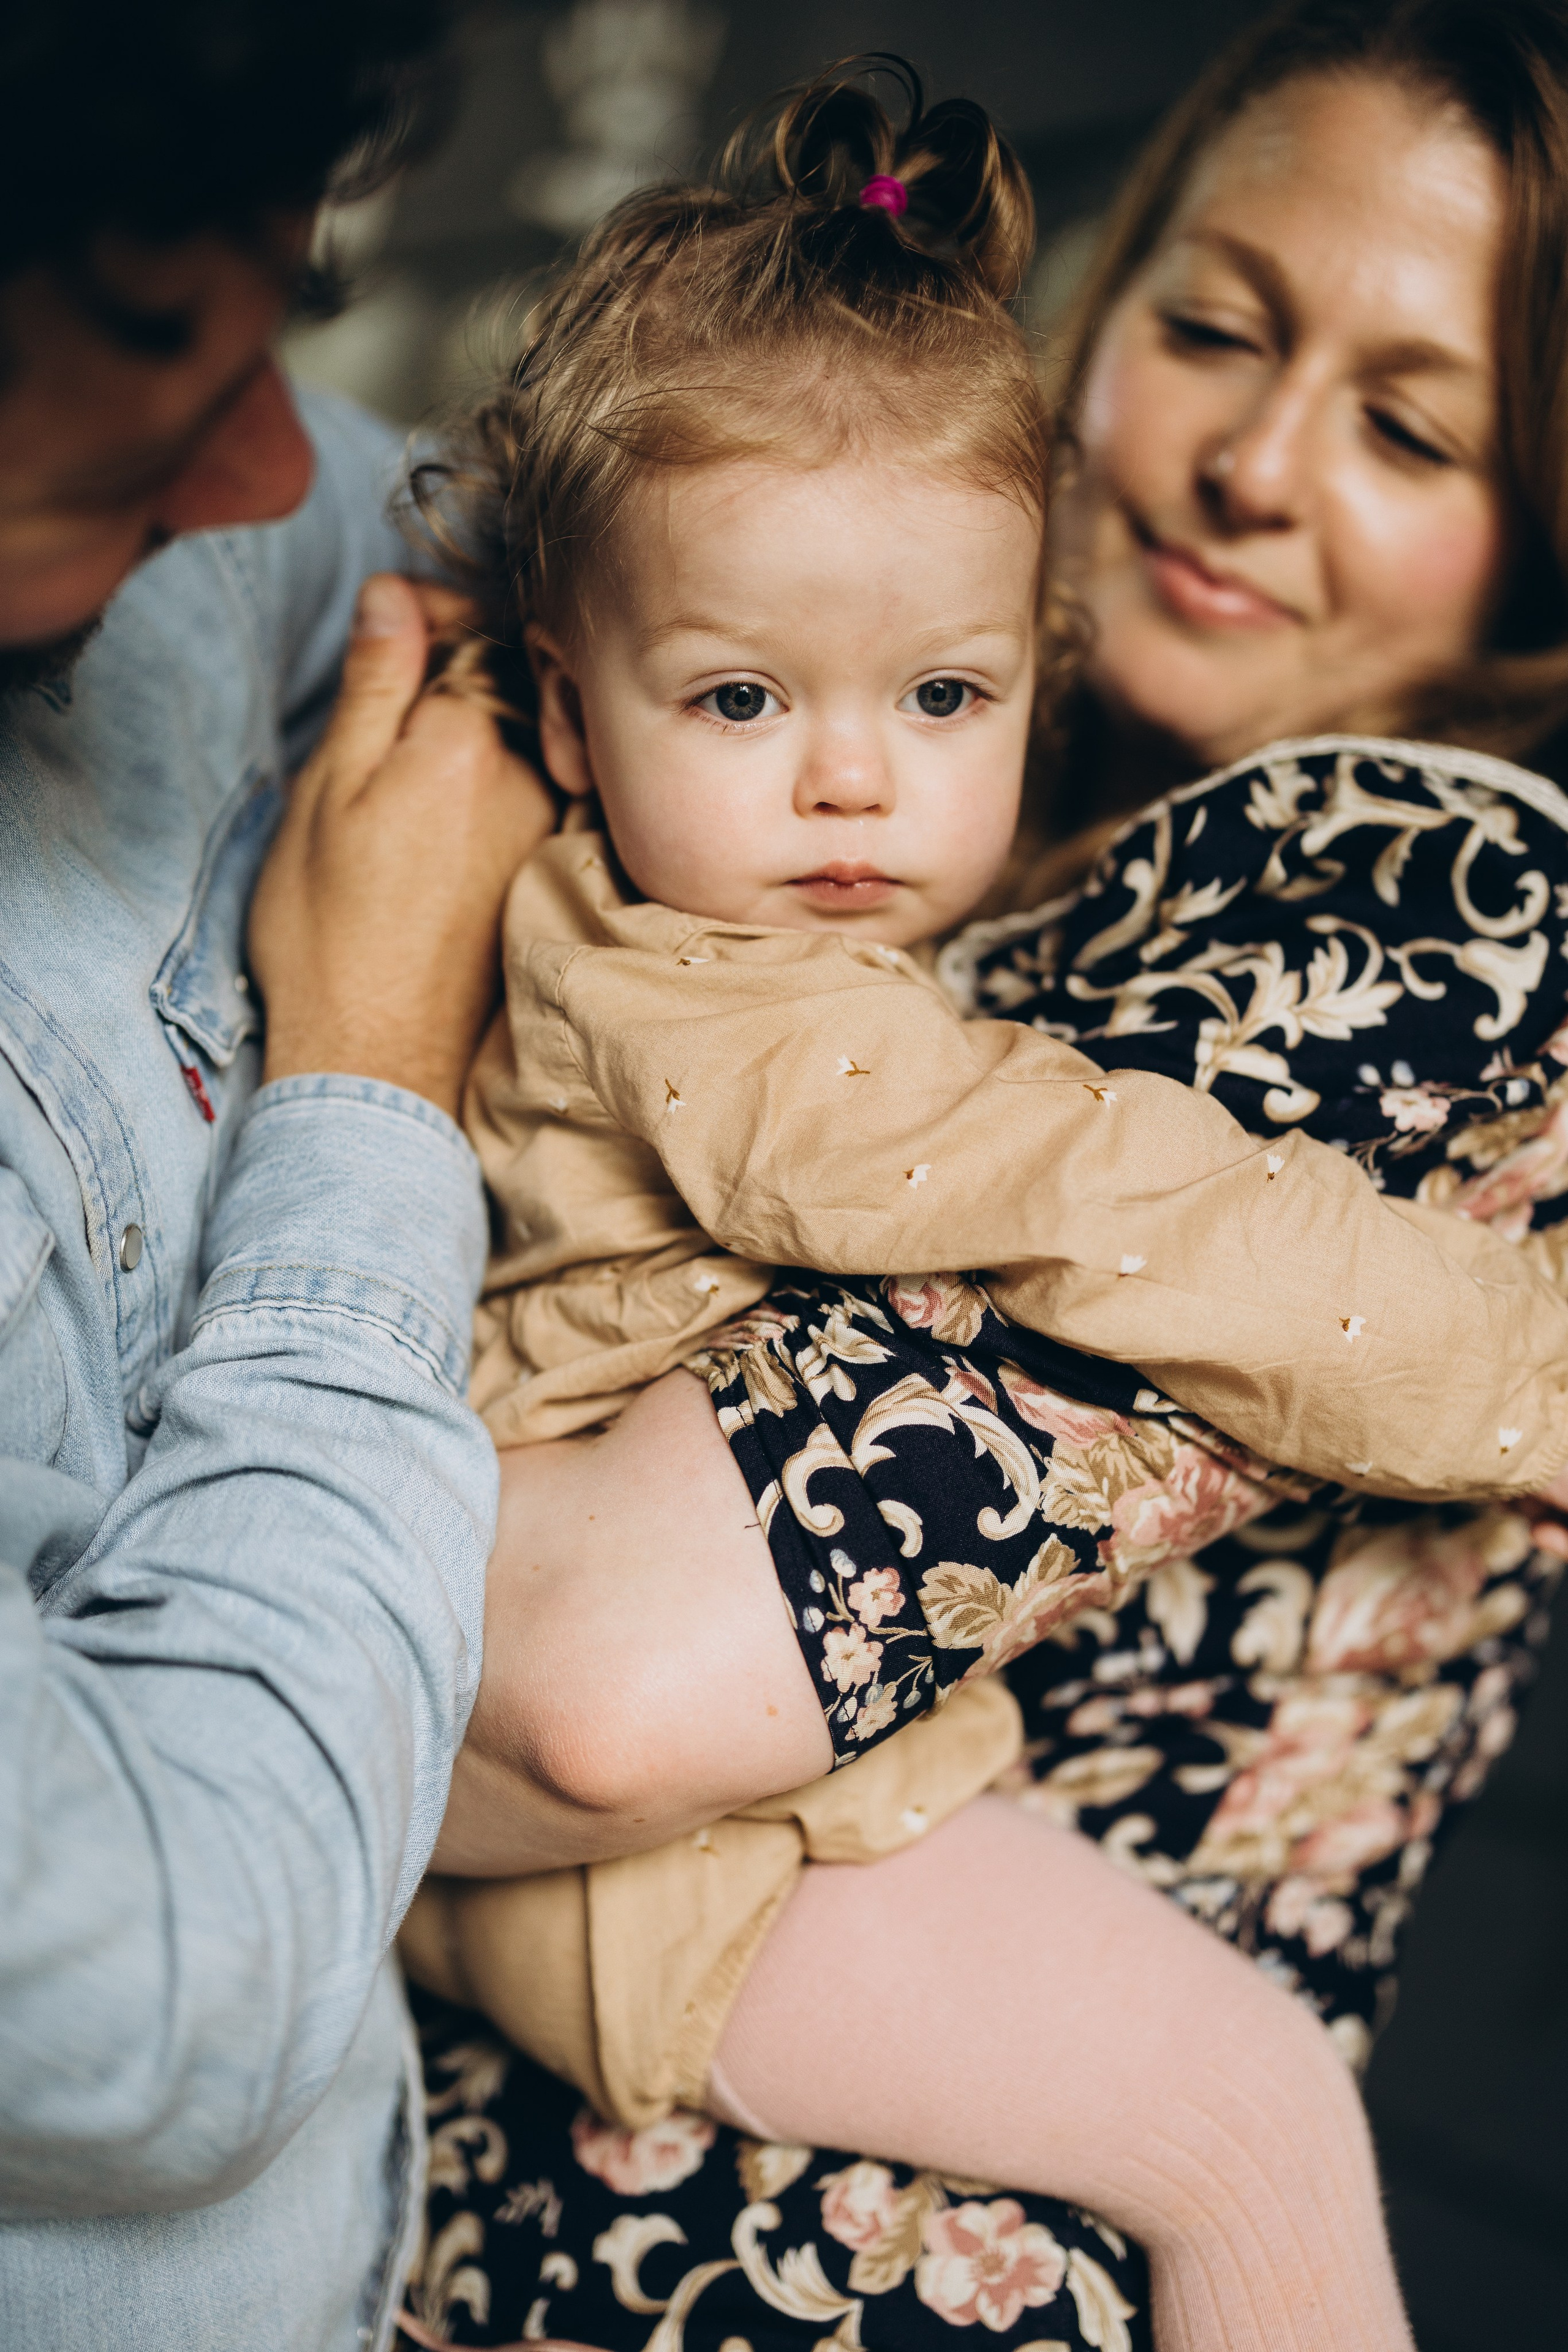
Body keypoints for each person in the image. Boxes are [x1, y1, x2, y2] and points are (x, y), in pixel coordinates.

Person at [402, 7, 1568, 2351]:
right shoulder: (794, 952)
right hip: (689, 1940)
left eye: (1408, 426)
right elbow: (1085, 1189)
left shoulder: (1450, 896)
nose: (1251, 463)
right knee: (1247, 2126)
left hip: (835, 2121)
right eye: (1214, 327)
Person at [0, 7, 557, 2350]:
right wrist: (369, 1082)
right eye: (160, 357)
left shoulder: (183, 534)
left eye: (285, 316)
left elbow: (485, 526)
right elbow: (182, 1975)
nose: (262, 466)